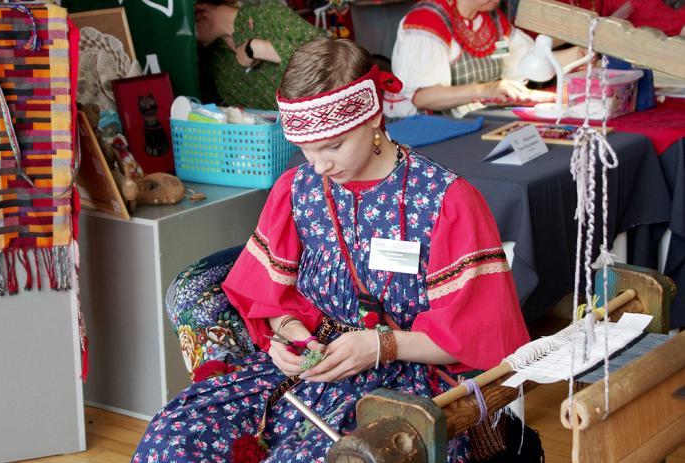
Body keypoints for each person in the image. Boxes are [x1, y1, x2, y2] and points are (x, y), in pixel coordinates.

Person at [132, 37, 530, 462]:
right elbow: (270, 301)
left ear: (373, 117)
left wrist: (382, 347)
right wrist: (288, 336)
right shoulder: (296, 190)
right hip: (309, 373)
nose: (319, 165)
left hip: (405, 383)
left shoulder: (445, 202)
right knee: (169, 439)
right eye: (306, 148)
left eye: (333, 146)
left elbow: (477, 336)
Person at [385, 0, 584, 117]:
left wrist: (580, 55)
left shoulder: (493, 19)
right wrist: (484, 89)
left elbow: (529, 61)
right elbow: (423, 98)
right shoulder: (426, 21)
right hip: (426, 136)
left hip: (473, 121)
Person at [195, 0, 323, 110]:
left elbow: (326, 54)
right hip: (282, 135)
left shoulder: (264, 13)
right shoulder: (214, 61)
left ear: (198, 9)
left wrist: (255, 48)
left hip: (327, 121)